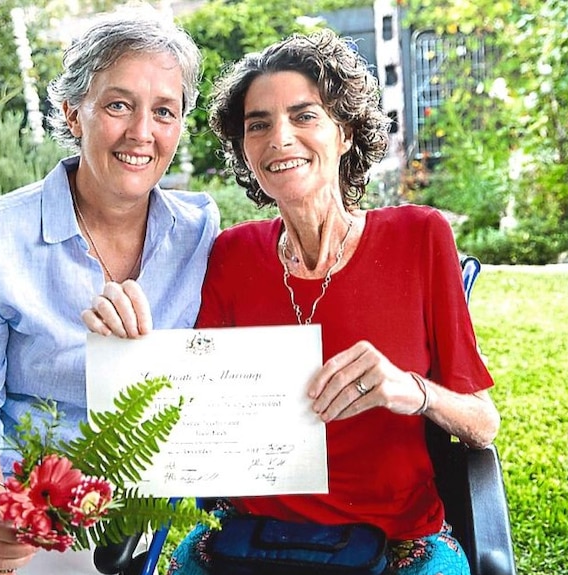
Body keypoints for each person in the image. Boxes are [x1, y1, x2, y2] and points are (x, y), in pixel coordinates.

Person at [88, 29, 500, 575]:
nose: (279, 138)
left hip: (394, 541)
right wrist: (127, 357)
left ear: (346, 132)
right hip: (249, 538)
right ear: (245, 149)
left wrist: (412, 389)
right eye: (258, 124)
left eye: (304, 116)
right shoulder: (233, 254)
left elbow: (482, 424)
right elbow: (190, 417)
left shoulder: (419, 237)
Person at [0, 7, 219, 575]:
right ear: (74, 113)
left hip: (84, 508)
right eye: (118, 104)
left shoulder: (199, 232)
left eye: (164, 111)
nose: (141, 132)